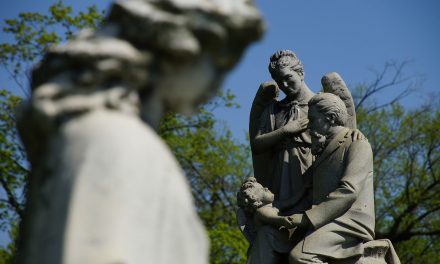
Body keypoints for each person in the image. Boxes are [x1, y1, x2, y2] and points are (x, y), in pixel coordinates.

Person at [287, 93, 375, 264]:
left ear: (331, 117)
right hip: (328, 219)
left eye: (312, 119)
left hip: (349, 220)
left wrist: (308, 218)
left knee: (300, 257)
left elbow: (349, 191)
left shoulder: (357, 143)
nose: (309, 125)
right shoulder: (323, 148)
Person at [251, 50, 315, 214]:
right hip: (279, 174)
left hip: (311, 168)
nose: (284, 85)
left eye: (288, 78)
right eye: (279, 82)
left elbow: (338, 137)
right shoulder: (274, 109)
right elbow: (257, 144)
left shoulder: (320, 104)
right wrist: (285, 131)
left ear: (300, 73)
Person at [237, 177, 296, 264]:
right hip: (265, 250)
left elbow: (291, 202)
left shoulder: (274, 205)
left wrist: (304, 190)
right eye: (262, 189)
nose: (266, 188)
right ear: (255, 198)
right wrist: (285, 220)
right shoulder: (261, 211)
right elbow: (275, 219)